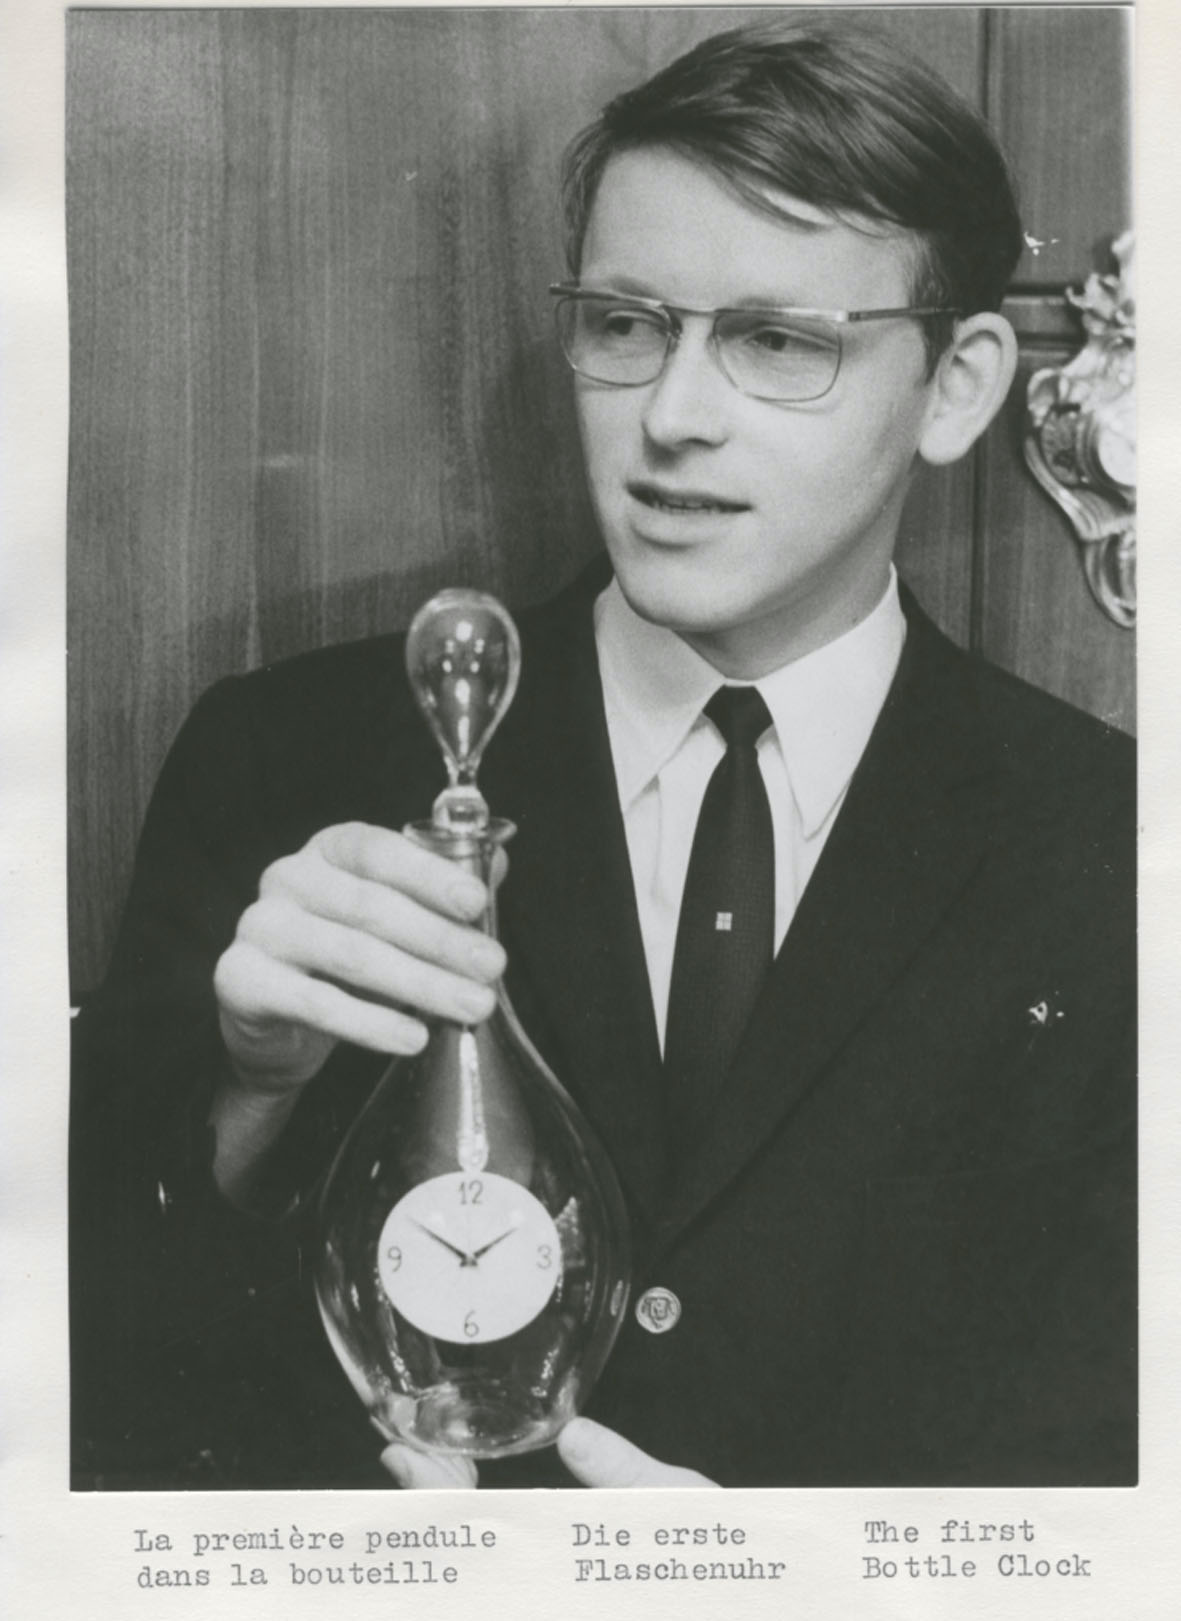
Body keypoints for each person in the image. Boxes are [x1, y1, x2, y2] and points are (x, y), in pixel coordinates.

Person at [70, 22, 1135, 1490]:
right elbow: (90, 1389)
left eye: (776, 342)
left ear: (955, 385)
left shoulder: (1114, 849)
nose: (670, 420)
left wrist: (800, 1584)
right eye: (626, 325)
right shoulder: (289, 756)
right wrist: (251, 1091)